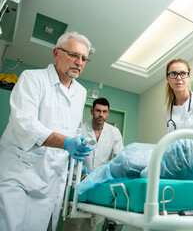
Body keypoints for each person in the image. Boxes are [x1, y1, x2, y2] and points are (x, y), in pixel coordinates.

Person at [0, 31, 93, 231]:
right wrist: (67, 143)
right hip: (20, 173)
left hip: (53, 177)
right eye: (73, 55)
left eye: (83, 58)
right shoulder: (32, 78)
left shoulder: (81, 92)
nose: (79, 61)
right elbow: (25, 123)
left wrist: (75, 157)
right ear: (56, 53)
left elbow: (74, 127)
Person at [63, 97, 124, 231]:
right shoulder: (81, 129)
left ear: (108, 113)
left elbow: (119, 158)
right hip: (78, 181)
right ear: (92, 111)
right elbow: (70, 156)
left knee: (91, 224)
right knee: (72, 223)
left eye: (104, 111)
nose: (101, 114)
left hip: (99, 184)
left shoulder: (114, 133)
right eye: (98, 111)